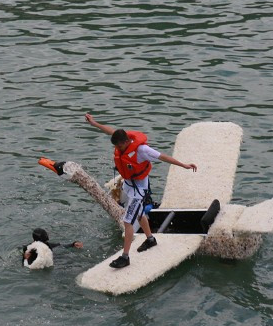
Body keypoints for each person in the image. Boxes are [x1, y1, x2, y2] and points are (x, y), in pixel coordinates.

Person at [84, 113, 197, 269]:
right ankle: (150, 239)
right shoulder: (121, 139)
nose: (117, 149)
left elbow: (163, 157)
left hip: (140, 191)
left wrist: (184, 165)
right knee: (139, 214)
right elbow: (109, 131)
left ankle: (125, 257)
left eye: (119, 146)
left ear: (125, 142)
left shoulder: (142, 150)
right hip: (129, 186)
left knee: (127, 221)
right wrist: (94, 123)